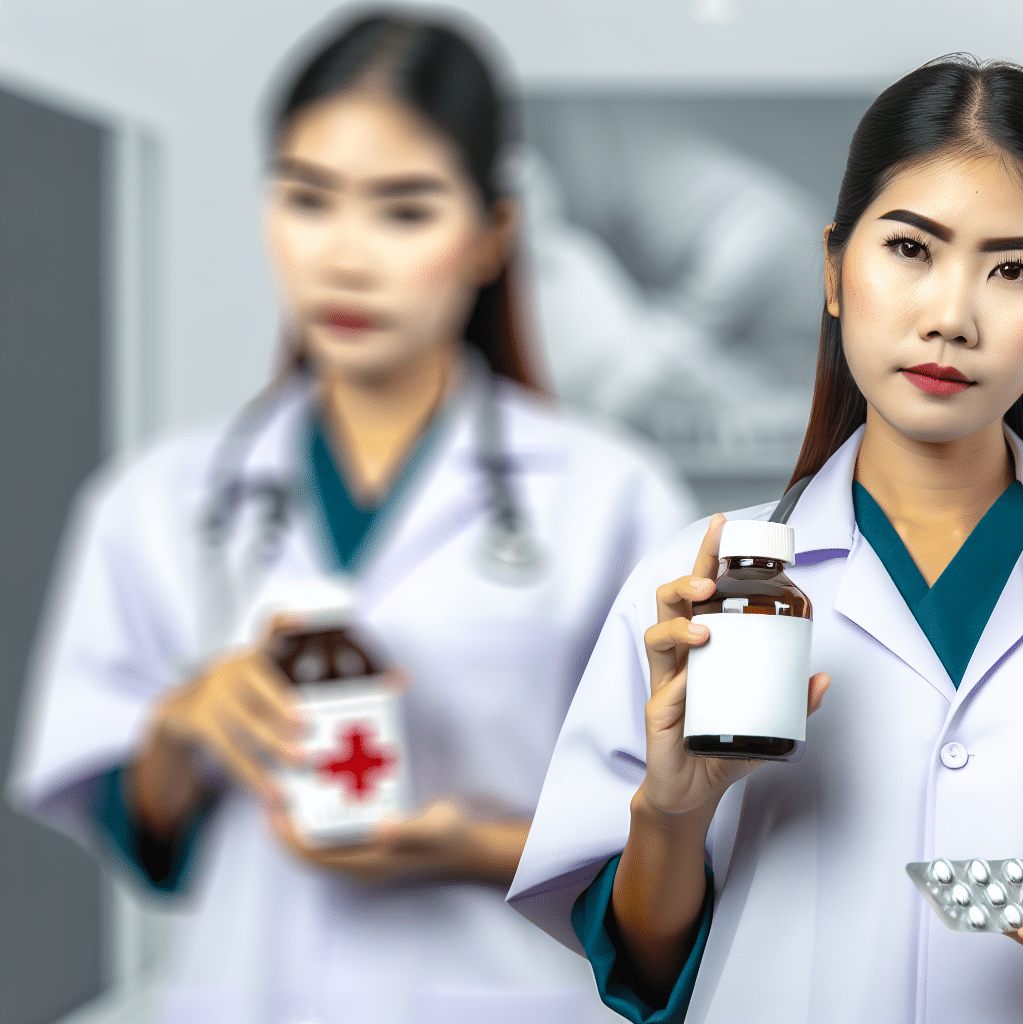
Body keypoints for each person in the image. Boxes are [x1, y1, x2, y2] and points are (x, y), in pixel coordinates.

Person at [509, 55, 1023, 1024]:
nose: (951, 315)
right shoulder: (690, 583)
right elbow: (640, 963)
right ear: (832, 269)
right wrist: (675, 807)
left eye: (1013, 269)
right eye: (909, 250)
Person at [9, 9, 692, 1022]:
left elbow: (675, 847)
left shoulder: (613, 499)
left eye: (403, 210)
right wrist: (180, 731)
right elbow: (143, 845)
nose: (345, 256)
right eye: (308, 199)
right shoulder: (156, 500)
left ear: (491, 234)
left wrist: (477, 845)